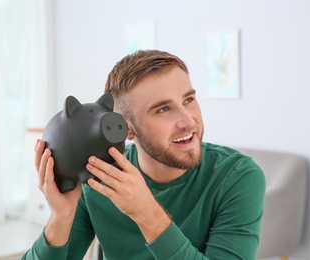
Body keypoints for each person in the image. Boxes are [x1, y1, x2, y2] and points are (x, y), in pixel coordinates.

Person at [23, 50, 265, 259]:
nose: (187, 120)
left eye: (188, 99)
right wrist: (61, 216)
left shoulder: (238, 177)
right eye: (163, 109)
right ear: (126, 128)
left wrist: (147, 213)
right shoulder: (98, 179)